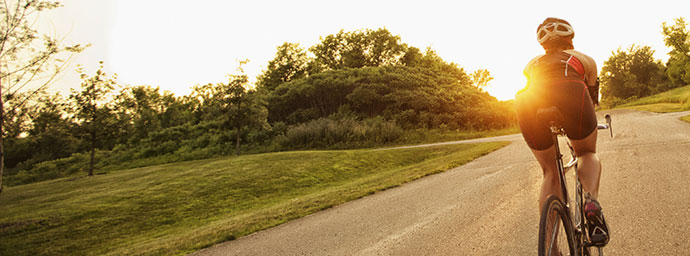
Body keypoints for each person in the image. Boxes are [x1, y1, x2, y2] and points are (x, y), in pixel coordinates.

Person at [515, 17, 609, 246]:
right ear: (571, 38)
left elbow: (536, 85)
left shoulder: (531, 63)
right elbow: (591, 98)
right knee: (586, 153)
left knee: (549, 170)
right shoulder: (584, 59)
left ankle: (550, 245)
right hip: (572, 92)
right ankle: (590, 203)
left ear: (542, 44)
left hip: (528, 101)